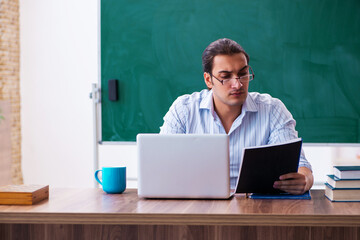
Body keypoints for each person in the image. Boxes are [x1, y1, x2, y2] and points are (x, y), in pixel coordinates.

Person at [159, 38, 313, 195]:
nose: (238, 84)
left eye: (243, 74)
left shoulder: (272, 110)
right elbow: (161, 165)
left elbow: (300, 166)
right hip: (197, 205)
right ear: (208, 80)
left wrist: (305, 179)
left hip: (256, 208)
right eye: (225, 77)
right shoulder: (183, 110)